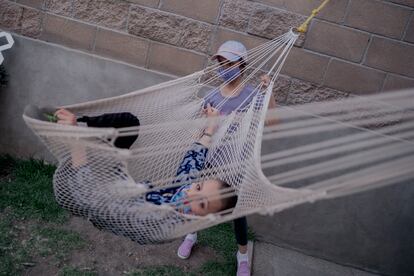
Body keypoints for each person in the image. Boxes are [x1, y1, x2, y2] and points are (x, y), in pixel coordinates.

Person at [178, 40, 277, 276]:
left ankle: (242, 254)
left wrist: (270, 91)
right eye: (220, 63)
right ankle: (191, 233)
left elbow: (273, 123)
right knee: (198, 200)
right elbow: (201, 129)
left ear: (241, 65)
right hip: (210, 162)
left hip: (236, 164)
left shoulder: (253, 95)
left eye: (228, 63)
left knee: (238, 211)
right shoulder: (212, 96)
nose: (223, 68)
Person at [53, 105, 237, 218]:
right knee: (128, 122)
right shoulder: (184, 192)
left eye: (201, 203)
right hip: (119, 185)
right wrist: (210, 128)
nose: (190, 195)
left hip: (89, 195)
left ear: (203, 220)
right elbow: (191, 165)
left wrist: (76, 140)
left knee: (87, 162)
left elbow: (92, 198)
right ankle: (80, 127)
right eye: (198, 187)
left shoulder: (160, 219)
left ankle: (75, 134)